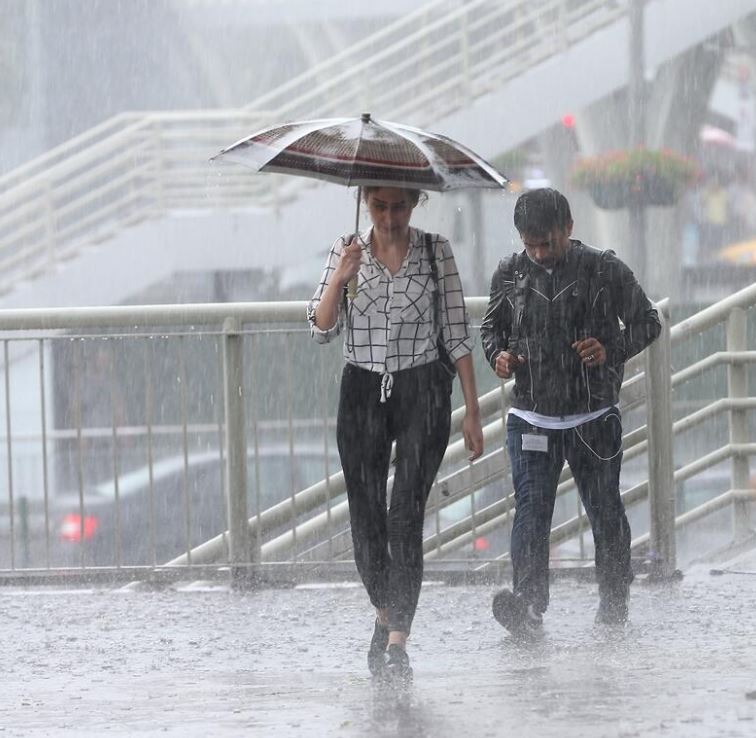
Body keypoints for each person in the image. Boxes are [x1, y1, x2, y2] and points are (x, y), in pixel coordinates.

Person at [307, 186, 484, 681]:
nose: (389, 217)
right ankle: (386, 615)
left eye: (399, 206)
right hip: (361, 390)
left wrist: (472, 409)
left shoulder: (434, 251)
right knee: (367, 520)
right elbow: (321, 330)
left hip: (422, 388)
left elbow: (456, 330)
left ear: (415, 203)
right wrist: (342, 275)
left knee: (405, 513)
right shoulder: (347, 249)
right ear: (366, 202)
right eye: (380, 206)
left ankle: (398, 642)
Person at [480, 187, 660, 635]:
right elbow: (491, 329)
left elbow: (648, 321)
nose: (540, 253)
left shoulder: (603, 268)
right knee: (531, 511)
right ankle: (527, 604)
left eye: (549, 243)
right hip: (531, 417)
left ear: (569, 229)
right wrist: (498, 357)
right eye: (530, 244)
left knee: (604, 509)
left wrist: (611, 347)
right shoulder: (510, 273)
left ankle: (614, 599)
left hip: (593, 417)